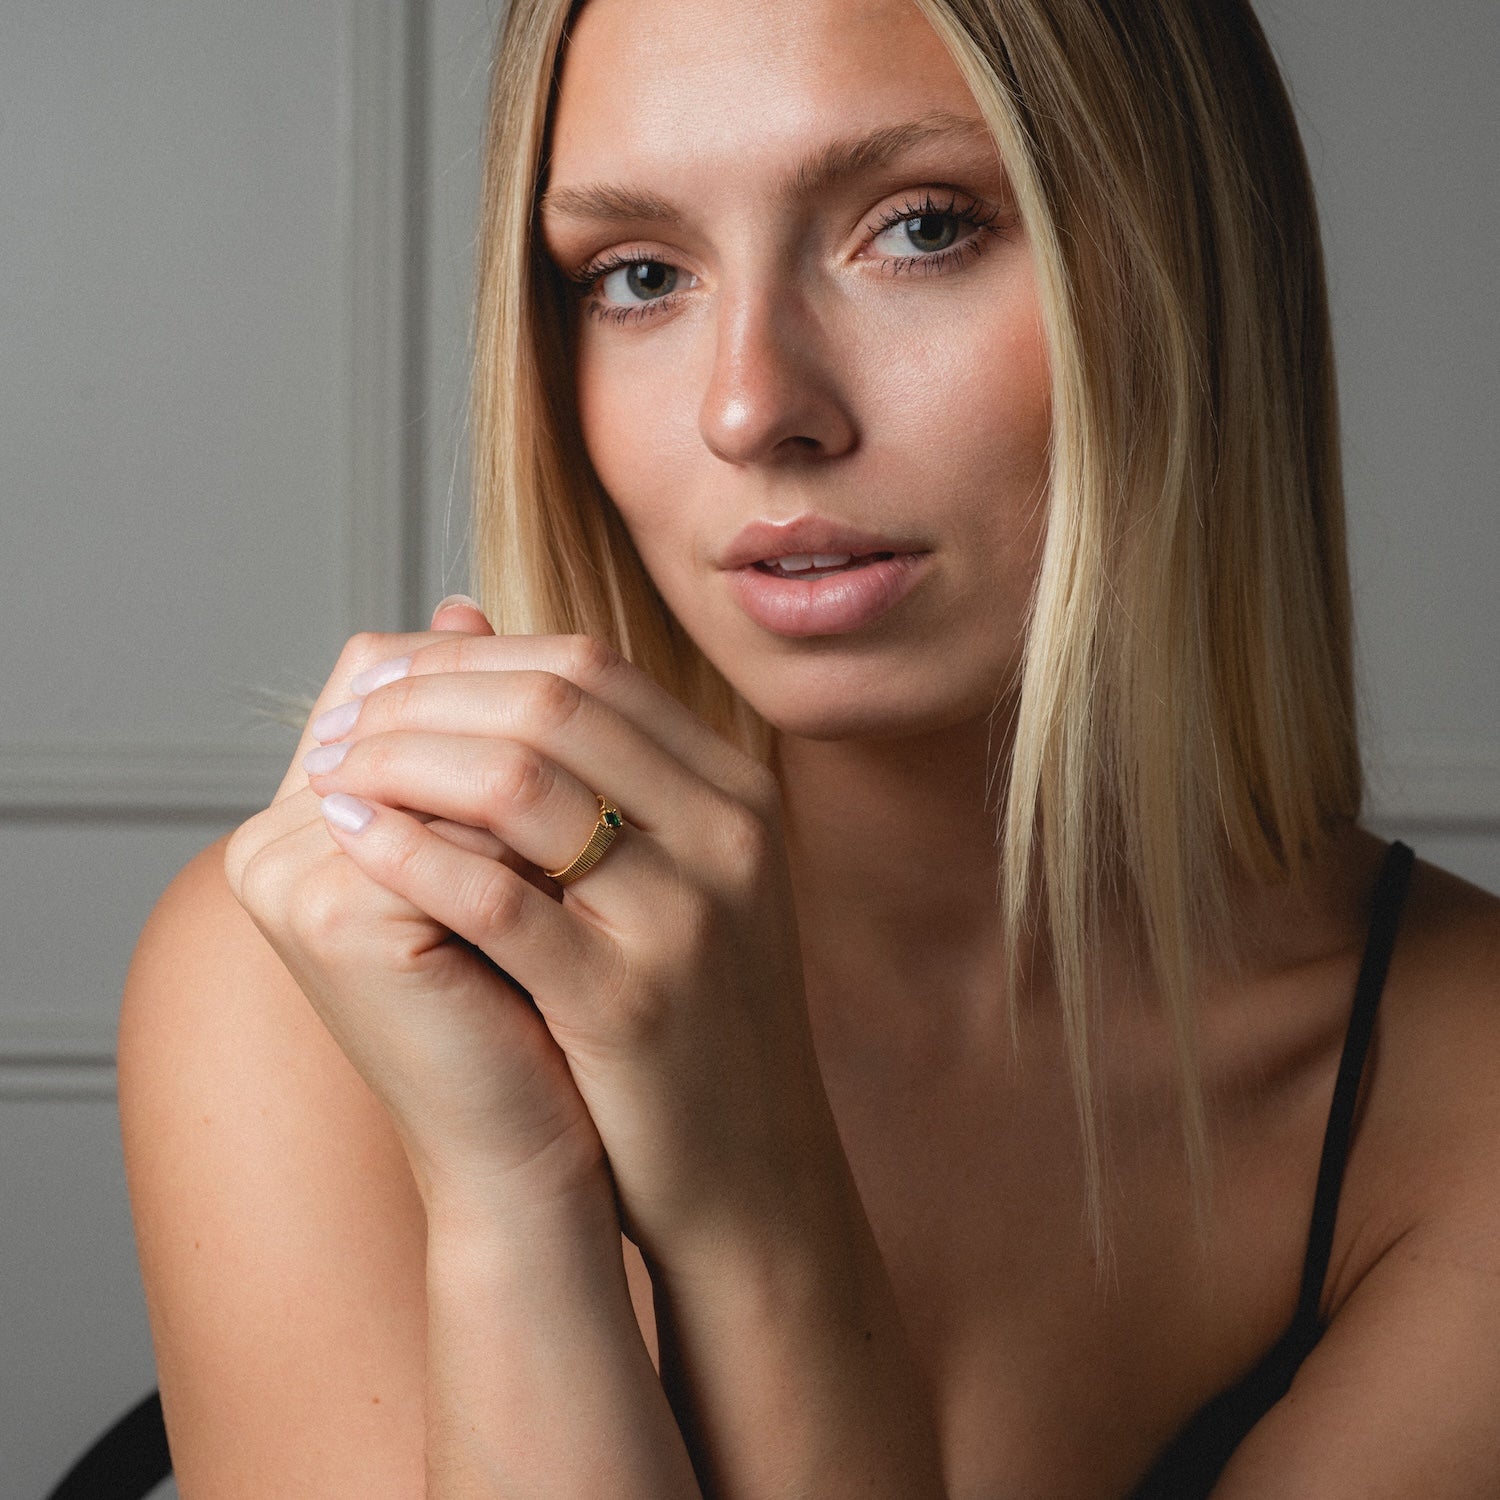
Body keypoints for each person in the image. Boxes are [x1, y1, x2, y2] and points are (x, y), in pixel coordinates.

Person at [117, 0, 1500, 1493]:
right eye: (638, 275)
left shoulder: (1458, 1086)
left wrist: (750, 1198)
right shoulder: (327, 967)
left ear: (1198, 273)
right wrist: (518, 1200)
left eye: (918, 230)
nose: (750, 407)